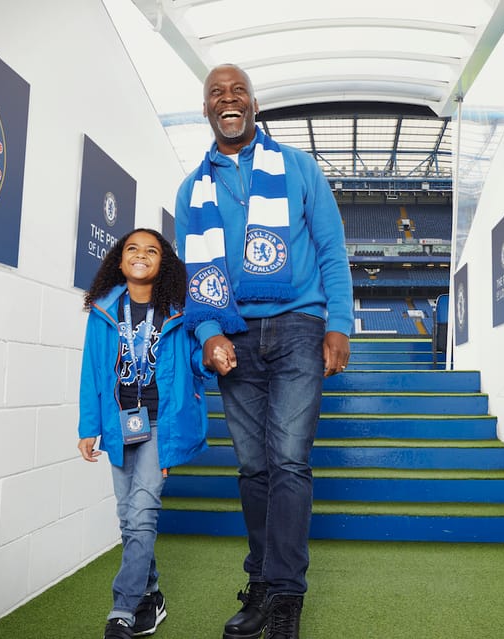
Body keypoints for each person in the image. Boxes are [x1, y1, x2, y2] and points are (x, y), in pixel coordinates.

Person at [174, 64, 354, 639]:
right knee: (253, 468)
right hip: (233, 338)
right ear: (207, 110)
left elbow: (330, 249)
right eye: (216, 94)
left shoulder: (299, 167)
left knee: (289, 462)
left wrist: (340, 324)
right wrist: (208, 336)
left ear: (254, 103)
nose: (228, 99)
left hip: (299, 326)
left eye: (237, 91)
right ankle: (261, 580)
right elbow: (192, 275)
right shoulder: (191, 189)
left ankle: (284, 596)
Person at [77, 228, 212, 639]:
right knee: (127, 517)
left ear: (163, 263)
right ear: (119, 261)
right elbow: (91, 373)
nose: (140, 255)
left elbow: (196, 363)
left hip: (161, 425)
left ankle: (123, 609)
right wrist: (88, 427)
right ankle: (152, 594)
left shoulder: (178, 310)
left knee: (142, 513)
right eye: (132, 249)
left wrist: (213, 357)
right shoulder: (103, 311)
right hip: (119, 425)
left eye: (151, 250)